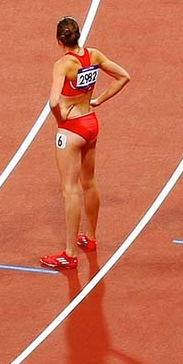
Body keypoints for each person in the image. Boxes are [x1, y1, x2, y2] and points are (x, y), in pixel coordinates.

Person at [42, 16, 130, 271]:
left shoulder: (62, 65)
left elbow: (54, 102)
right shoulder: (94, 55)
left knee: (69, 189)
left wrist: (61, 121)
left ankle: (70, 254)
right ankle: (90, 238)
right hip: (91, 123)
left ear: (59, 40)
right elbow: (124, 76)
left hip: (71, 129)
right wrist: (99, 100)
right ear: (78, 36)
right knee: (89, 182)